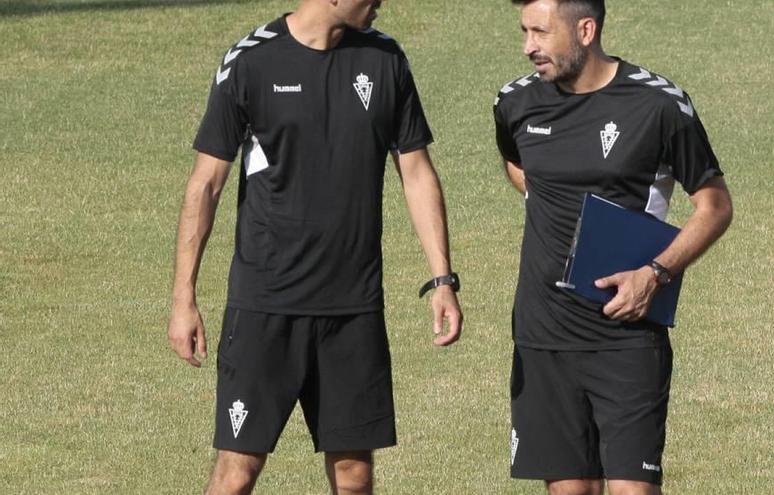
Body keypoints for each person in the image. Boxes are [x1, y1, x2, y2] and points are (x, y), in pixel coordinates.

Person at [167, 1, 463, 493]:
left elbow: (415, 171)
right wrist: (184, 298)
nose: (381, 1)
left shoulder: (385, 59)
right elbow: (206, 185)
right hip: (266, 304)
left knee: (354, 475)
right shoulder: (250, 62)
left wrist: (442, 279)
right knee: (237, 470)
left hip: (353, 307)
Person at [494, 1, 733, 494]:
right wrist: (550, 203)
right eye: (524, 31)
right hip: (543, 335)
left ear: (586, 29)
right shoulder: (515, 102)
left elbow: (714, 207)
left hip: (625, 335)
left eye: (540, 32)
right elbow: (517, 162)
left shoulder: (659, 105)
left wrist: (656, 273)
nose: (528, 47)